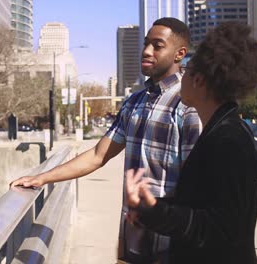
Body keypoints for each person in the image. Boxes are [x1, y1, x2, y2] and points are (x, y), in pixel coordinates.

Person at [11, 17, 202, 263]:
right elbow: (98, 155)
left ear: (180, 54)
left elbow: (197, 184)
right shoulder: (135, 103)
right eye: (146, 44)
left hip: (172, 243)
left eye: (157, 45)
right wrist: (42, 178)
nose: (146, 51)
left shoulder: (189, 104)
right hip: (132, 233)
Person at [124, 22, 257, 264]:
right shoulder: (219, 132)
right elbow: (199, 205)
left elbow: (220, 228)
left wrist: (157, 213)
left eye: (187, 70)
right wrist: (148, 210)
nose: (182, 76)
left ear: (199, 81)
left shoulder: (228, 141)